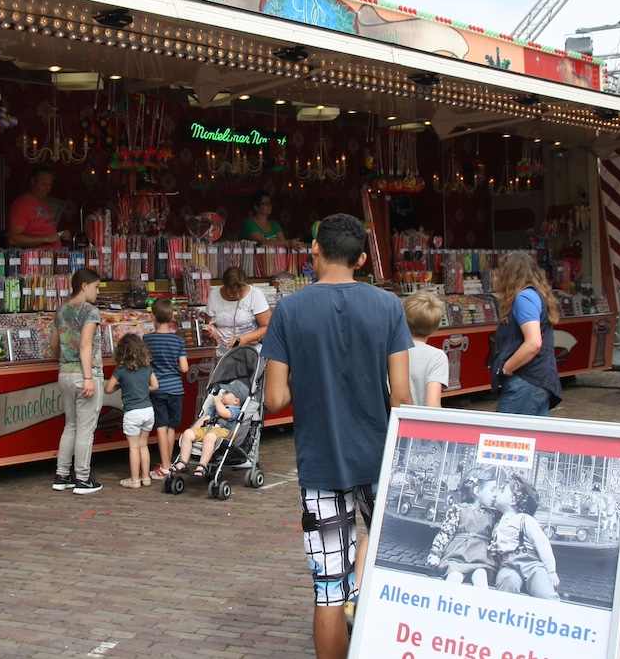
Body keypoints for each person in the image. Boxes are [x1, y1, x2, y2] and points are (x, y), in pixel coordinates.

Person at [263, 213, 413, 659]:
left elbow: (274, 400)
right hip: (380, 458)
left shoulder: (290, 309)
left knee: (328, 590)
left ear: (313, 250)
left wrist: (310, 375)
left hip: (321, 463)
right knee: (399, 567)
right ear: (363, 258)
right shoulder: (388, 307)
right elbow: (402, 398)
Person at [49, 267, 104, 494]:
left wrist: (62, 360)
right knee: (85, 429)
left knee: (70, 425)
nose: (98, 292)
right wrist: (89, 377)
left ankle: (62, 475)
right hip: (85, 374)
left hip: (65, 373)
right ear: (84, 286)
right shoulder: (90, 311)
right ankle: (83, 479)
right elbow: (86, 344)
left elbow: (54, 345)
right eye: (96, 287)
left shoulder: (61, 310)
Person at [489, 251, 563, 416]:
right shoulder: (535, 295)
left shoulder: (524, 298)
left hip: (526, 381)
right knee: (532, 440)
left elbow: (533, 343)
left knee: (503, 438)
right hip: (538, 380)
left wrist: (507, 367)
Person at [490, 473, 560, 600]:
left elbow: (542, 544)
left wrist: (551, 571)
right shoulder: (498, 523)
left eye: (502, 490)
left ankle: (553, 612)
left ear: (513, 499)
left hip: (530, 562)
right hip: (508, 564)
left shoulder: (525, 519)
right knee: (507, 582)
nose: (496, 494)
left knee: (543, 590)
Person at [425, 467, 499, 587]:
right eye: (492, 490)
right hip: (458, 555)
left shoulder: (492, 515)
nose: (495, 494)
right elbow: (445, 533)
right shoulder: (459, 509)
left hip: (479, 558)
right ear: (477, 491)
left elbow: (493, 539)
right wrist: (435, 553)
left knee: (480, 575)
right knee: (455, 575)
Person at [104, 333, 159, 489]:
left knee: (133, 447)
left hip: (132, 412)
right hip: (148, 410)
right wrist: (142, 388)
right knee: (143, 445)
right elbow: (155, 386)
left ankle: (135, 479)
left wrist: (122, 385)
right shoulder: (147, 367)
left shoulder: (121, 370)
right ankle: (146, 477)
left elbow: (107, 389)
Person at [144, 298, 189, 480]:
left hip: (157, 388)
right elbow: (184, 368)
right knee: (172, 427)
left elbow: (145, 363)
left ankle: (164, 465)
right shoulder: (178, 341)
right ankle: (168, 464)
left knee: (160, 426)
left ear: (153, 316)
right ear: (172, 317)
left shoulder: (147, 339)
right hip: (176, 389)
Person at [169, 379, 248, 478]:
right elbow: (205, 418)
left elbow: (224, 413)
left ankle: (202, 465)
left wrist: (217, 402)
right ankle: (183, 461)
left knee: (209, 437)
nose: (222, 393)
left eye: (227, 392)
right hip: (207, 429)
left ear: (236, 401)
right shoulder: (215, 408)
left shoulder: (235, 410)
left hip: (222, 432)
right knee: (188, 433)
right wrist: (196, 426)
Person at [203, 266, 270, 355]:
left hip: (252, 352)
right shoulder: (214, 294)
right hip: (223, 353)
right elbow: (208, 324)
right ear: (225, 286)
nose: (237, 296)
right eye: (232, 292)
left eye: (240, 291)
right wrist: (210, 332)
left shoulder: (255, 294)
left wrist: (244, 339)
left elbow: (267, 327)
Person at [403, 291, 449, 407]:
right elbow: (432, 404)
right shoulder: (437, 356)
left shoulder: (391, 350)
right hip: (417, 422)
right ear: (436, 327)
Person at [8, 164, 70, 249]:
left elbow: (46, 231)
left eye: (50, 184)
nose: (47, 188)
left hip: (53, 258)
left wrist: (61, 235)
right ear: (33, 181)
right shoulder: (21, 205)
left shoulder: (45, 204)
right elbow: (13, 239)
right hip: (35, 260)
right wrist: (45, 238)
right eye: (44, 184)